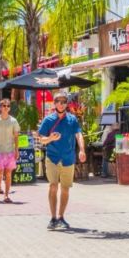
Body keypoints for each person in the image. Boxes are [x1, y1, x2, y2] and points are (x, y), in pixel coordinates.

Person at [36, 91, 85, 230]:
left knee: (65, 189)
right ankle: (53, 218)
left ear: (66, 104)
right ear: (55, 103)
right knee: (53, 186)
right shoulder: (48, 120)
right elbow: (41, 139)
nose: (61, 104)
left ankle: (61, 217)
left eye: (64, 102)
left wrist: (82, 149)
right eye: (58, 101)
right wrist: (51, 138)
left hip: (68, 158)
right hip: (52, 157)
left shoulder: (72, 119)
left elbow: (79, 135)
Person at [0, 98, 20, 202]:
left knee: (8, 173)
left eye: (8, 106)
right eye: (4, 106)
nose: (6, 108)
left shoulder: (13, 121)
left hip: (10, 151)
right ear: (0, 107)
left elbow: (16, 136)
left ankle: (6, 195)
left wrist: (17, 150)